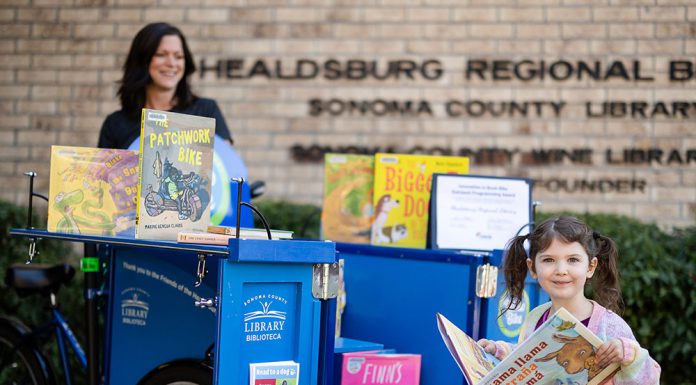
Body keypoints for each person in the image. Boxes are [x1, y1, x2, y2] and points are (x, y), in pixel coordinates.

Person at [478, 216, 660, 385]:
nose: (561, 270)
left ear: (590, 267)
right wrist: (500, 352)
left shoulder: (610, 325)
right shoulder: (536, 317)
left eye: (573, 259)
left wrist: (630, 356)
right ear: (532, 268)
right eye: (549, 260)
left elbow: (649, 379)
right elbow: (529, 361)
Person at [98, 22, 232, 150]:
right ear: (141, 61)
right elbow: (102, 173)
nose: (172, 63)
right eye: (161, 55)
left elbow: (226, 166)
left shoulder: (206, 111)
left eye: (179, 56)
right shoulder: (115, 124)